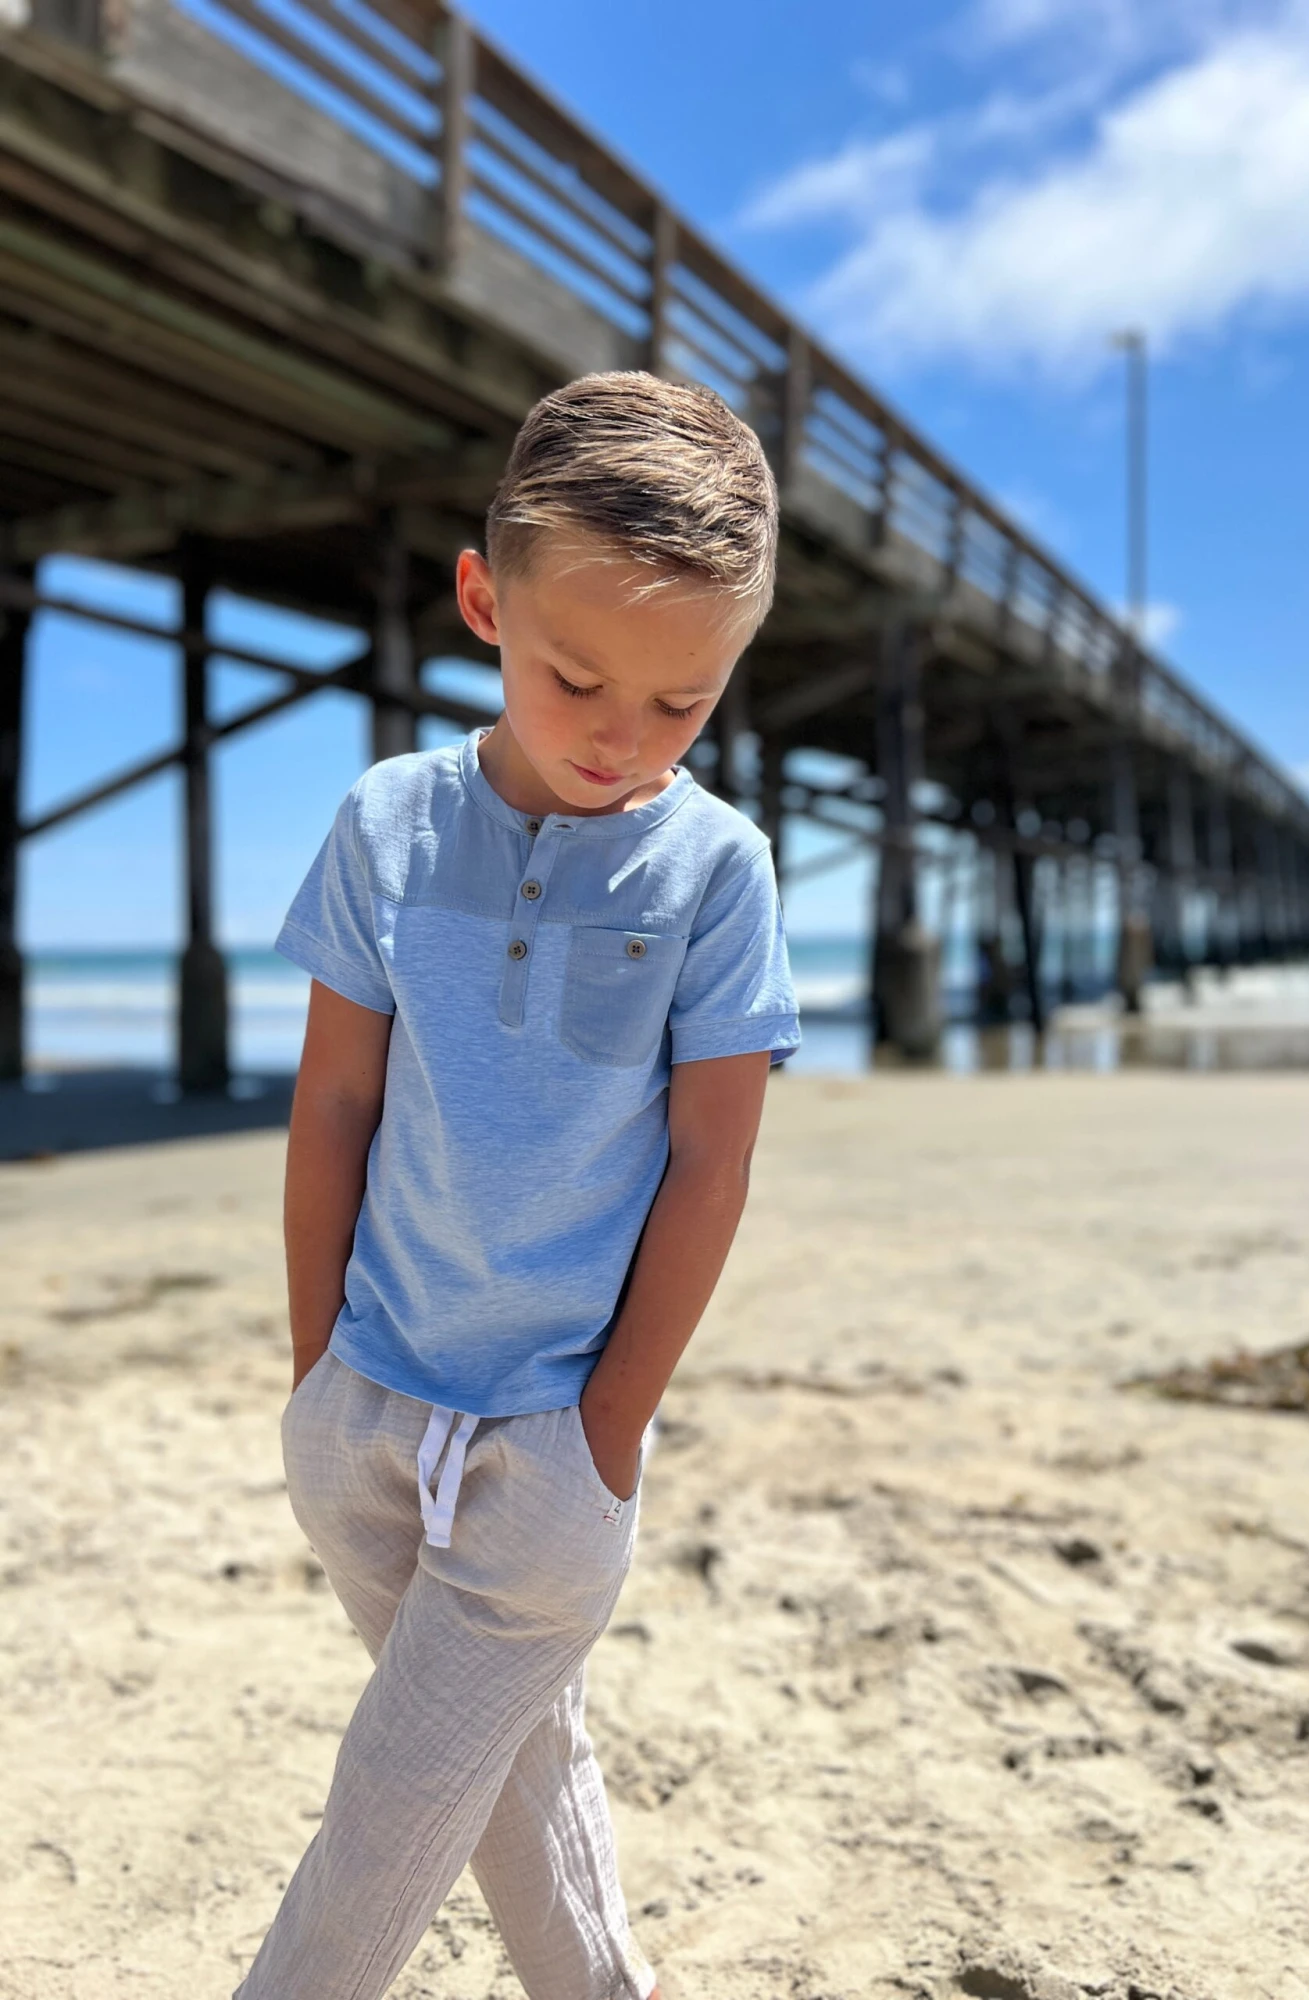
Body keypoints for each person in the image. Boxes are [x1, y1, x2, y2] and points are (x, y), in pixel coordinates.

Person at [236, 371, 800, 2000]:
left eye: (683, 703)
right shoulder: (387, 825)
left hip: (550, 1437)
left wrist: (607, 1433)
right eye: (577, 679)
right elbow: (336, 1103)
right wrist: (316, 1375)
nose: (624, 738)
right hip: (364, 1404)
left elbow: (712, 1162)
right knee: (512, 1781)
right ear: (486, 603)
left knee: (386, 1816)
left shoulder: (717, 872)